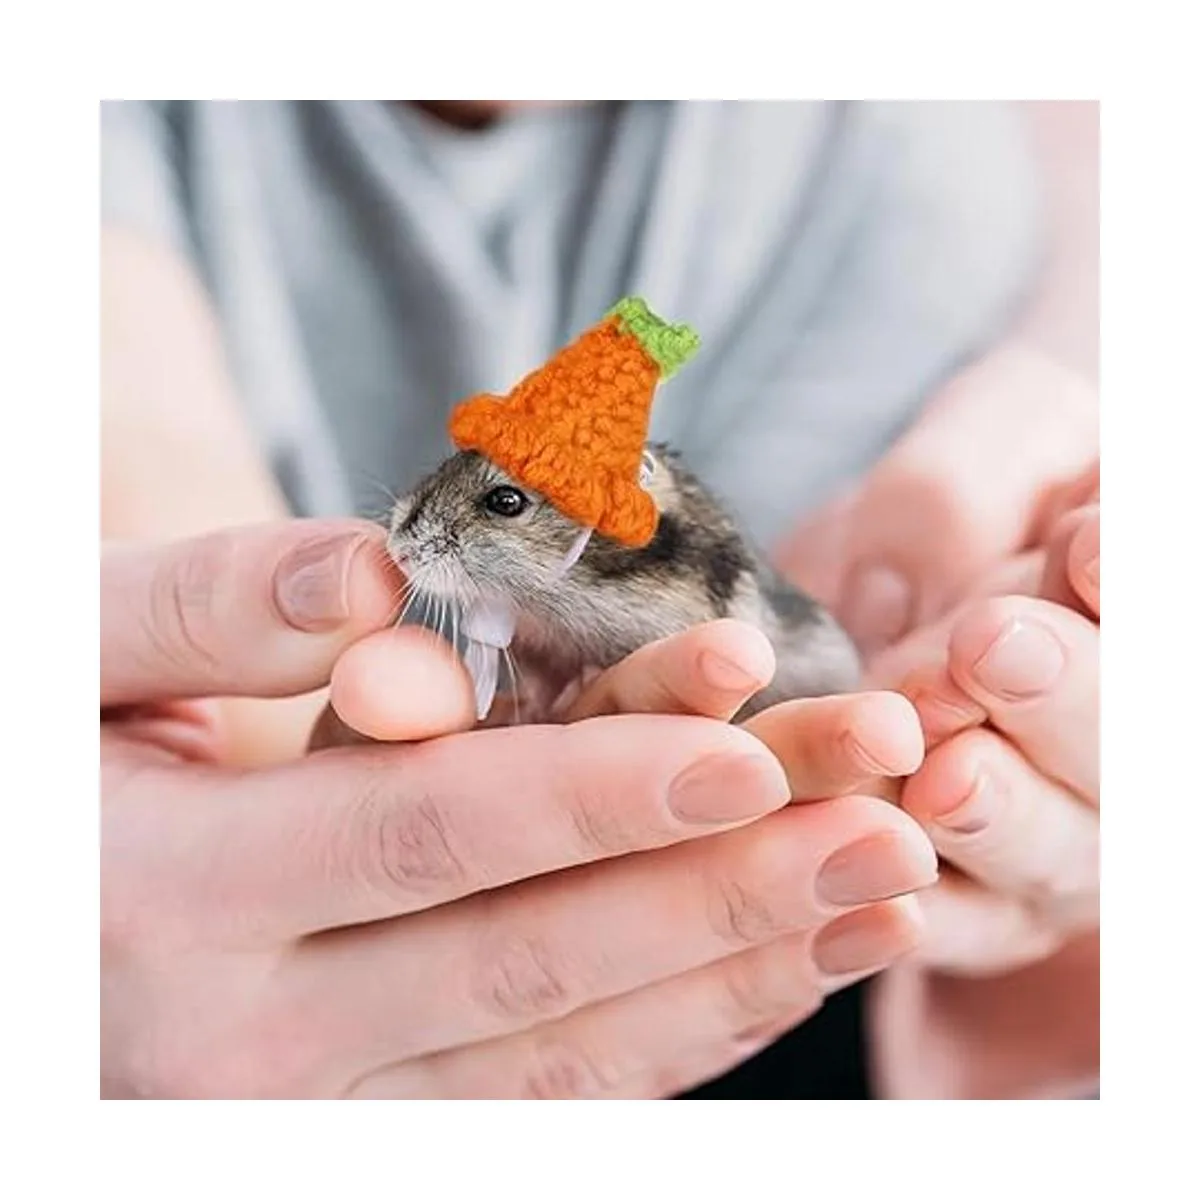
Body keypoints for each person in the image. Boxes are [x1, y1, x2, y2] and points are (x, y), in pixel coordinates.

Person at [100, 100, 1099, 1098]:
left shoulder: (898, 162)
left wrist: (1053, 923)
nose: (411, 526)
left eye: (499, 504)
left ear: (594, 536)